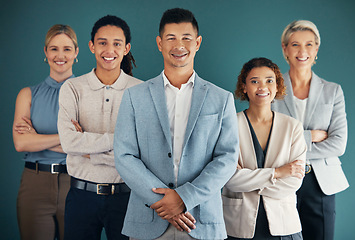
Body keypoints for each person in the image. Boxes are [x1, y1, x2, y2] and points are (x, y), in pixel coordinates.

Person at [114, 8, 239, 240]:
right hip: (148, 219)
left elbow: (227, 158)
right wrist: (164, 201)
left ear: (198, 42)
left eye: (186, 38)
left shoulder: (221, 99)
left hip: (201, 221)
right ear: (159, 43)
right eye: (171, 38)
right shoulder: (134, 96)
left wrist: (184, 199)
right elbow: (124, 156)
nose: (178, 45)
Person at [57, 15, 142, 240]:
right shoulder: (72, 88)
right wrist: (122, 144)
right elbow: (69, 142)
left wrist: (88, 149)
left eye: (117, 44)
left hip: (126, 198)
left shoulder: (141, 91)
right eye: (102, 43)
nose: (109, 50)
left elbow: (144, 153)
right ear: (92, 46)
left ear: (126, 48)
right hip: (81, 196)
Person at [272, 20, 349, 240]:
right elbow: (269, 139)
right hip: (282, 178)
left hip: (321, 183)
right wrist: (311, 136)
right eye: (295, 44)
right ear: (285, 49)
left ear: (316, 49)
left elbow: (339, 143)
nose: (302, 51)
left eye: (309, 44)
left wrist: (295, 145)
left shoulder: (333, 91)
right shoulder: (272, 90)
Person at [222, 57, 306, 240]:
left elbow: (293, 182)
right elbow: (230, 180)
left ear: (277, 86)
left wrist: (248, 180)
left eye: (269, 81)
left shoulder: (293, 127)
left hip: (284, 226)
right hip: (238, 226)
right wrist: (277, 173)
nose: (262, 87)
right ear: (244, 87)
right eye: (254, 81)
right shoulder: (229, 125)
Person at [13, 24, 79, 240]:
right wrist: (70, 140)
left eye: (67, 49)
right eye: (54, 49)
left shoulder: (86, 95)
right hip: (35, 185)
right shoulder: (27, 94)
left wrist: (37, 138)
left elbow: (90, 151)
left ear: (76, 52)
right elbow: (21, 144)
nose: (60, 55)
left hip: (76, 184)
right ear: (45, 52)